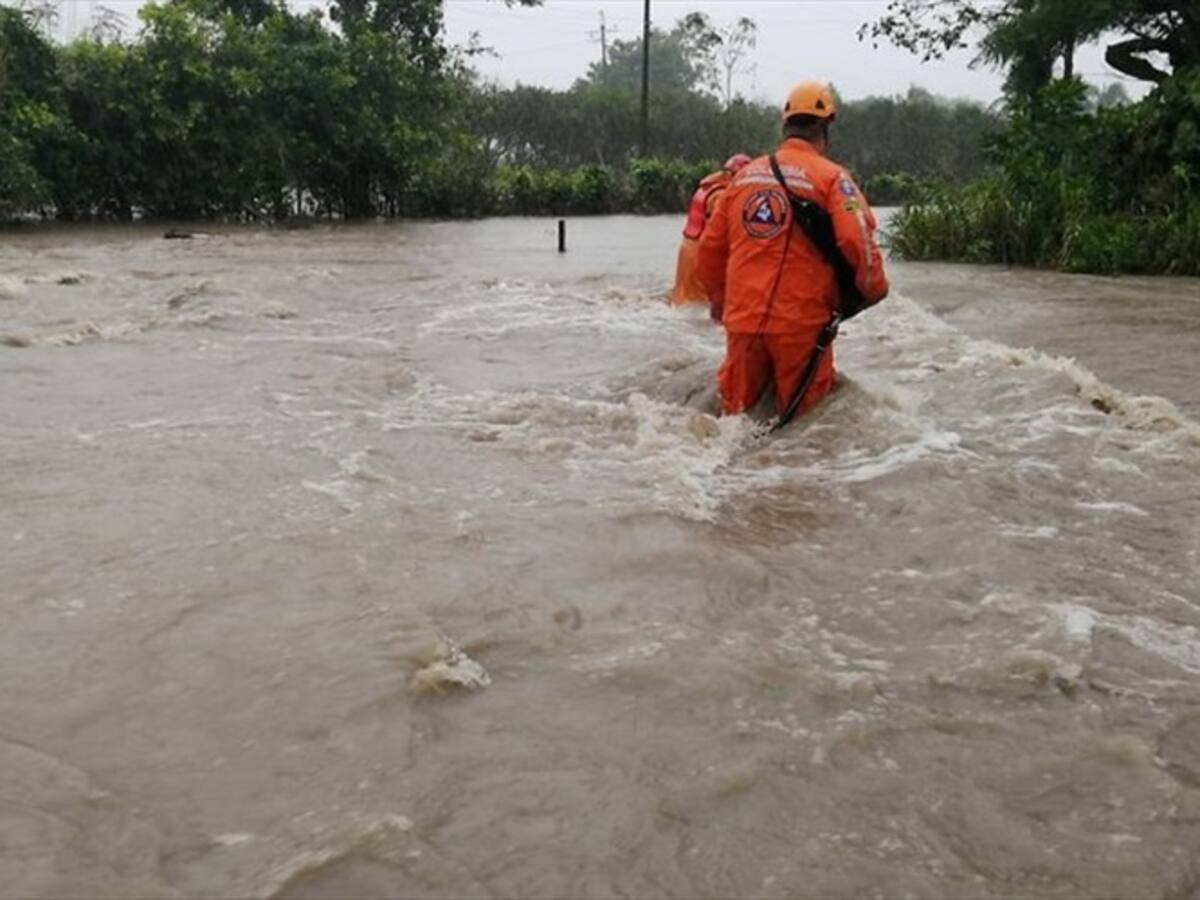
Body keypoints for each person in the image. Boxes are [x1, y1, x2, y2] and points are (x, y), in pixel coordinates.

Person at [696, 81, 889, 420]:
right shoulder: (832, 178)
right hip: (800, 325)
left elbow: (711, 249)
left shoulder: (742, 179)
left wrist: (720, 302)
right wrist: (874, 288)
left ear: (786, 127)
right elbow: (856, 238)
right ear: (824, 128)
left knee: (735, 422)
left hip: (743, 322)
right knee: (806, 430)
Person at [670, 154, 752, 305]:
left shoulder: (707, 187)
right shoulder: (720, 195)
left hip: (688, 250)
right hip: (701, 254)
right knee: (702, 306)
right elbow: (723, 233)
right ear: (731, 175)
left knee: (685, 300)